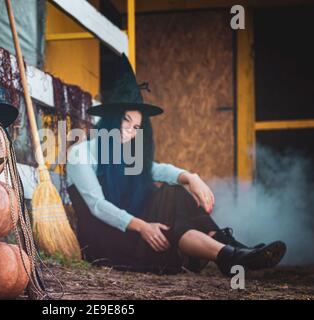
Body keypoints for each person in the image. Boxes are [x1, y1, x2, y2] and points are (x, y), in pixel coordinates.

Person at [66, 54, 286, 276]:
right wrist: (143, 226)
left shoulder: (124, 154)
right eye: (125, 120)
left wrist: (191, 177)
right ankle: (233, 251)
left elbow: (157, 169)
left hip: (133, 232)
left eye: (136, 127)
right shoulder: (80, 153)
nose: (130, 131)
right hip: (107, 242)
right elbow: (97, 206)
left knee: (174, 194)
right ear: (111, 117)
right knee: (172, 205)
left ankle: (229, 253)